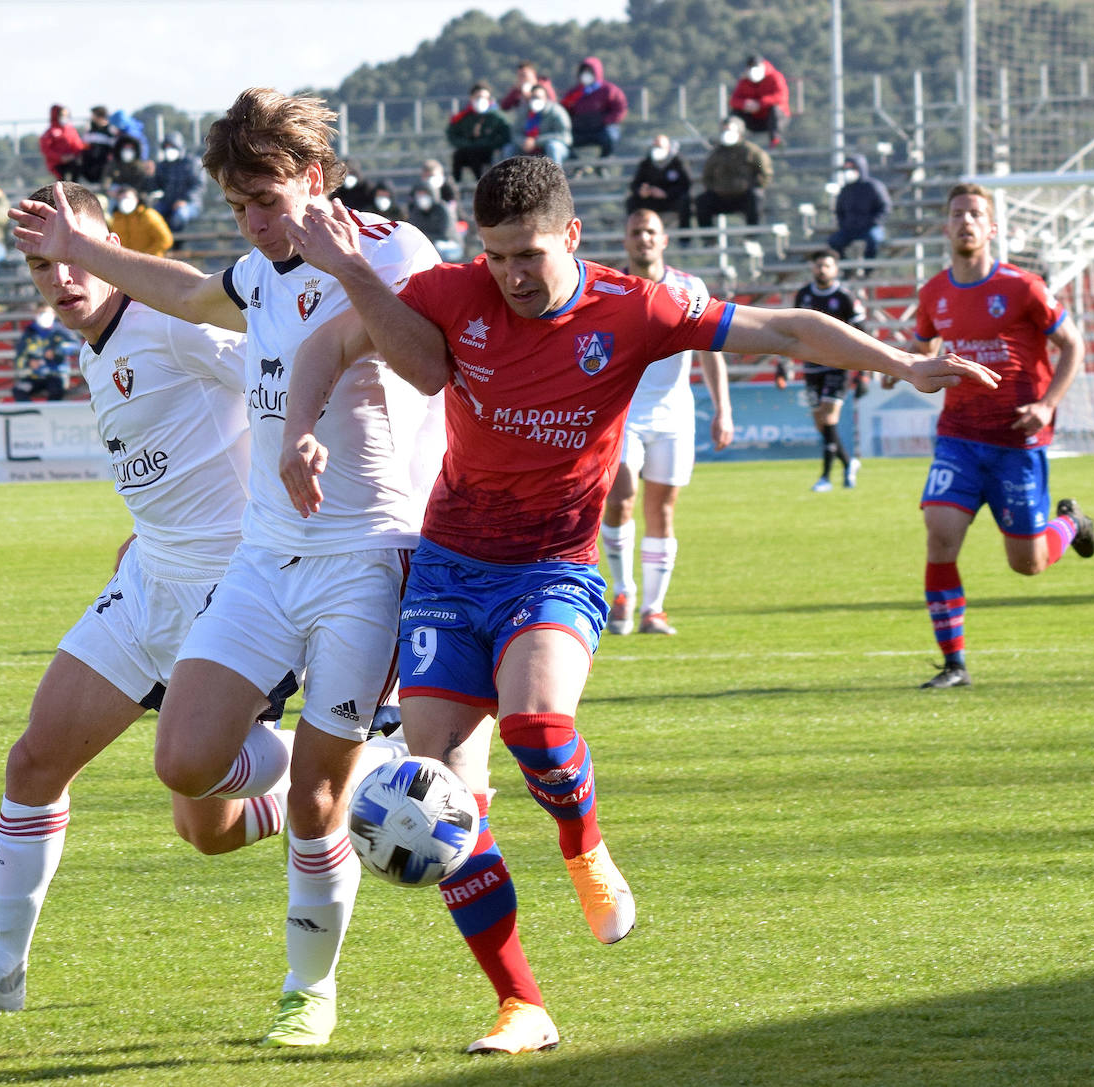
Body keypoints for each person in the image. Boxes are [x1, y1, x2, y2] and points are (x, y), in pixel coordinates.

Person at [277, 154, 998, 1053]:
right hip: (450, 567)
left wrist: (902, 362)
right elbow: (328, 345)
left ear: (571, 237)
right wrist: (297, 430)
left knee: (537, 725)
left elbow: (788, 328)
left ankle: (584, 849)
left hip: (554, 566)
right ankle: (521, 1006)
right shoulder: (452, 292)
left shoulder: (635, 307)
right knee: (445, 804)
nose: (510, 276)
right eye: (495, 256)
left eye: (528, 255)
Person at [8, 89, 444, 1049]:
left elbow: (428, 366)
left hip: (365, 557)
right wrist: (82, 249)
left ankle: (307, 990)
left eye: (268, 199)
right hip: (260, 558)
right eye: (239, 205)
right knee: (186, 761)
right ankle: (372, 762)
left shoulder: (397, 248)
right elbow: (187, 291)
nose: (253, 222)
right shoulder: (256, 270)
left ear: (317, 179)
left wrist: (344, 274)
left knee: (318, 799)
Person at [0, 181, 286, 1016]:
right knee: (35, 759)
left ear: (108, 246)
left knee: (204, 823)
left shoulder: (174, 314)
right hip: (147, 587)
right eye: (41, 266)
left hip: (230, 595)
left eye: (72, 254)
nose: (60, 278)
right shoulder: (88, 348)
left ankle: (343, 768)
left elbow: (283, 374)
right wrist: (144, 537)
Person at [906, 182, 1094, 690]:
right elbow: (923, 350)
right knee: (940, 536)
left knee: (1028, 564)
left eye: (975, 214)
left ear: (991, 229)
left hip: (1017, 442)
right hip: (959, 438)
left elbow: (1073, 345)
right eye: (957, 214)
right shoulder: (933, 294)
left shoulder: (1024, 287)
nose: (965, 222)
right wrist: (903, 368)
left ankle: (1071, 525)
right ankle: (955, 665)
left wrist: (1047, 404)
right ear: (946, 228)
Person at [602, 210, 734, 637]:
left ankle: (653, 610)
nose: (643, 239)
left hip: (674, 413)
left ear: (664, 240)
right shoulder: (611, 287)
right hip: (624, 411)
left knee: (662, 508)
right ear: (626, 241)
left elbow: (712, 350)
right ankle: (623, 592)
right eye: (636, 232)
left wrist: (722, 409)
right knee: (621, 497)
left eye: (650, 232)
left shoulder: (690, 287)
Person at [793, 248, 866, 492]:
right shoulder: (803, 295)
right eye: (818, 265)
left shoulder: (844, 296)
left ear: (835, 269)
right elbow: (790, 329)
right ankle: (849, 463)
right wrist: (783, 366)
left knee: (828, 418)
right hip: (811, 366)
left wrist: (863, 373)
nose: (821, 270)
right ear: (812, 268)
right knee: (820, 424)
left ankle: (825, 477)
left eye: (826, 265)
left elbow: (862, 331)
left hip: (838, 365)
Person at [695, 116, 773, 229]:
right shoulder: (716, 153)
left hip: (744, 196)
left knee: (756, 197)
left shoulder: (751, 151)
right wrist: (713, 188)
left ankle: (752, 235)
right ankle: (709, 239)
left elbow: (762, 167)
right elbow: (707, 174)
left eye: (730, 129)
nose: (727, 132)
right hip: (721, 196)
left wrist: (757, 184)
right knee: (702, 201)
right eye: (725, 129)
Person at [559, 56, 627, 163]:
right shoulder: (575, 92)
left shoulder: (609, 90)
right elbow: (564, 110)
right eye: (584, 71)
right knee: (563, 140)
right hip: (580, 130)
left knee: (611, 136)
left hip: (601, 129)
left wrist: (605, 121)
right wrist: (573, 123)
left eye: (589, 71)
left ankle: (602, 163)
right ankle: (578, 165)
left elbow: (620, 108)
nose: (586, 74)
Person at [828, 152, 892, 263]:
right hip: (850, 229)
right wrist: (844, 224)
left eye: (851, 168)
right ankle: (846, 268)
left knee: (873, 240)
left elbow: (885, 207)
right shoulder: (845, 190)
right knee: (834, 241)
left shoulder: (873, 186)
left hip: (870, 227)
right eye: (846, 169)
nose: (848, 172)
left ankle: (869, 269)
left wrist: (874, 222)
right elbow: (839, 211)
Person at [11, 300, 79, 401]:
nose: (44, 315)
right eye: (41, 312)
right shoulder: (29, 332)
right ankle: (31, 415)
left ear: (53, 314)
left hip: (56, 375)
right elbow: (19, 356)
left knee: (56, 390)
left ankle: (51, 416)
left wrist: (56, 351)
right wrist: (29, 363)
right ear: (35, 314)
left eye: (46, 312)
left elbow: (76, 346)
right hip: (36, 376)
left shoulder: (60, 331)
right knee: (19, 389)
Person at [625, 134, 692, 233]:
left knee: (685, 201)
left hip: (672, 199)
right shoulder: (646, 163)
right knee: (632, 202)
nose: (657, 149)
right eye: (655, 146)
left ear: (668, 147)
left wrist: (666, 193)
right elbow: (635, 184)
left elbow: (685, 184)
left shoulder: (678, 162)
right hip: (651, 200)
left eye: (660, 147)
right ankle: (635, 233)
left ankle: (684, 239)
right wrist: (641, 191)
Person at [446, 82, 512, 183]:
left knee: (477, 156)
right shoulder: (463, 116)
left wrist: (491, 144)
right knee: (459, 155)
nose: (481, 100)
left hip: (490, 149)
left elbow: (505, 134)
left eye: (484, 97)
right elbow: (452, 134)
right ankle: (456, 185)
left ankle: (482, 182)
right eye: (478, 97)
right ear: (471, 98)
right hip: (469, 148)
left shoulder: (496, 116)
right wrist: (465, 144)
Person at [730, 53, 790, 148]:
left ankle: (776, 140)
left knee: (775, 109)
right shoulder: (744, 81)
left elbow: (781, 96)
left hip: (773, 119)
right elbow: (733, 101)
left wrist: (760, 103)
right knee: (735, 113)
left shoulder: (775, 76)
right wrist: (745, 104)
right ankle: (733, 141)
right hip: (754, 119)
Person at [152, 131, 204, 233]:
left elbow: (198, 186)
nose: (168, 150)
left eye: (171, 146)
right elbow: (155, 186)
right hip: (167, 203)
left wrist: (184, 200)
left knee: (180, 215)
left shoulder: (192, 163)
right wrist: (150, 175)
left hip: (190, 204)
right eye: (166, 147)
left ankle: (177, 242)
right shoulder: (162, 165)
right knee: (152, 215)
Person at [109, 185, 174, 257]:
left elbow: (165, 240)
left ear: (136, 200)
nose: (124, 201)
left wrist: (145, 256)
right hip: (126, 264)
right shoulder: (116, 219)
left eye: (127, 198)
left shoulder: (148, 215)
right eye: (121, 199)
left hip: (150, 263)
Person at [515, 86, 572, 167]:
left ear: (545, 98)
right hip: (528, 148)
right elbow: (515, 133)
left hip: (555, 149)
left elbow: (564, 136)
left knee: (553, 147)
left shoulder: (557, 111)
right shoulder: (524, 112)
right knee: (509, 149)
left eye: (538, 97)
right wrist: (523, 141)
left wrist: (536, 141)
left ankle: (555, 177)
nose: (535, 99)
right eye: (533, 97)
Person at [408, 182, 463, 262]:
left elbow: (445, 235)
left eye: (425, 194)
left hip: (450, 244)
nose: (422, 197)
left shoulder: (443, 209)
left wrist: (425, 237)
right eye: (419, 194)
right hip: (428, 245)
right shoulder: (416, 212)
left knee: (438, 248)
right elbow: (413, 233)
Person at [39, 104, 87, 181]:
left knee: (77, 170)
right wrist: (60, 158)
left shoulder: (71, 130)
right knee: (62, 181)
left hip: (72, 161)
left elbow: (77, 145)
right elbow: (46, 150)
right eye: (62, 115)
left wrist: (75, 155)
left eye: (66, 115)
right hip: (57, 164)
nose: (65, 118)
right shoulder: (49, 132)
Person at [80, 106, 119, 185]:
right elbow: (84, 146)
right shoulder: (89, 130)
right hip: (90, 167)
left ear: (99, 116)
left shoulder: (111, 131)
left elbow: (114, 149)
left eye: (93, 115)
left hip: (104, 167)